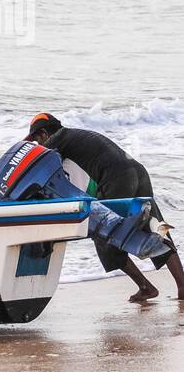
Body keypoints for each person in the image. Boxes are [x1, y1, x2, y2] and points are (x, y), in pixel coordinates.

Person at [27, 113, 184, 302]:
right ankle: (182, 286)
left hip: (116, 177)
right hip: (137, 170)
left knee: (104, 235)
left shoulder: (57, 140)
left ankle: (146, 287)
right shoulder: (75, 136)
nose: (38, 146)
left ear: (44, 133)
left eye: (36, 140)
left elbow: (38, 167)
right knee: (156, 227)